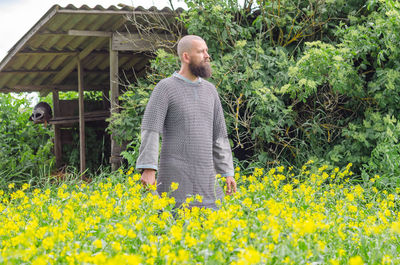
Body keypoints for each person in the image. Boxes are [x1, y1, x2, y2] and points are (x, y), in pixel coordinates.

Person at [136, 35, 236, 210]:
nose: (207, 55)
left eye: (206, 51)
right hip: (175, 175)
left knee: (212, 229)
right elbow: (151, 129)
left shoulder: (210, 91)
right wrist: (148, 168)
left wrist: (227, 172)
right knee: (173, 224)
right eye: (201, 51)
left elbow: (219, 135)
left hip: (206, 177)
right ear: (186, 57)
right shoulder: (165, 88)